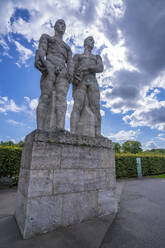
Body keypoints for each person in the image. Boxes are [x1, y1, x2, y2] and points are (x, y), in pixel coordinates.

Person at [35, 19, 73, 131]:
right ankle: (40, 128)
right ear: (55, 26)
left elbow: (70, 62)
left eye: (64, 25)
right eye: (60, 24)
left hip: (63, 71)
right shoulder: (47, 38)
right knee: (45, 96)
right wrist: (41, 59)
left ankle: (60, 127)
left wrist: (70, 71)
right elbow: (41, 49)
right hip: (50, 66)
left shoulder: (67, 47)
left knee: (62, 98)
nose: (63, 26)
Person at [70, 36, 103, 136]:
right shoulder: (77, 56)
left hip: (92, 81)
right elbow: (72, 70)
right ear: (85, 43)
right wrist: (75, 77)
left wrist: (87, 67)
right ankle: (73, 132)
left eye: (93, 40)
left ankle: (98, 133)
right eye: (90, 40)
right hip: (81, 82)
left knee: (96, 107)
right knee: (77, 106)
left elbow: (100, 68)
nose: (93, 42)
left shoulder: (97, 57)